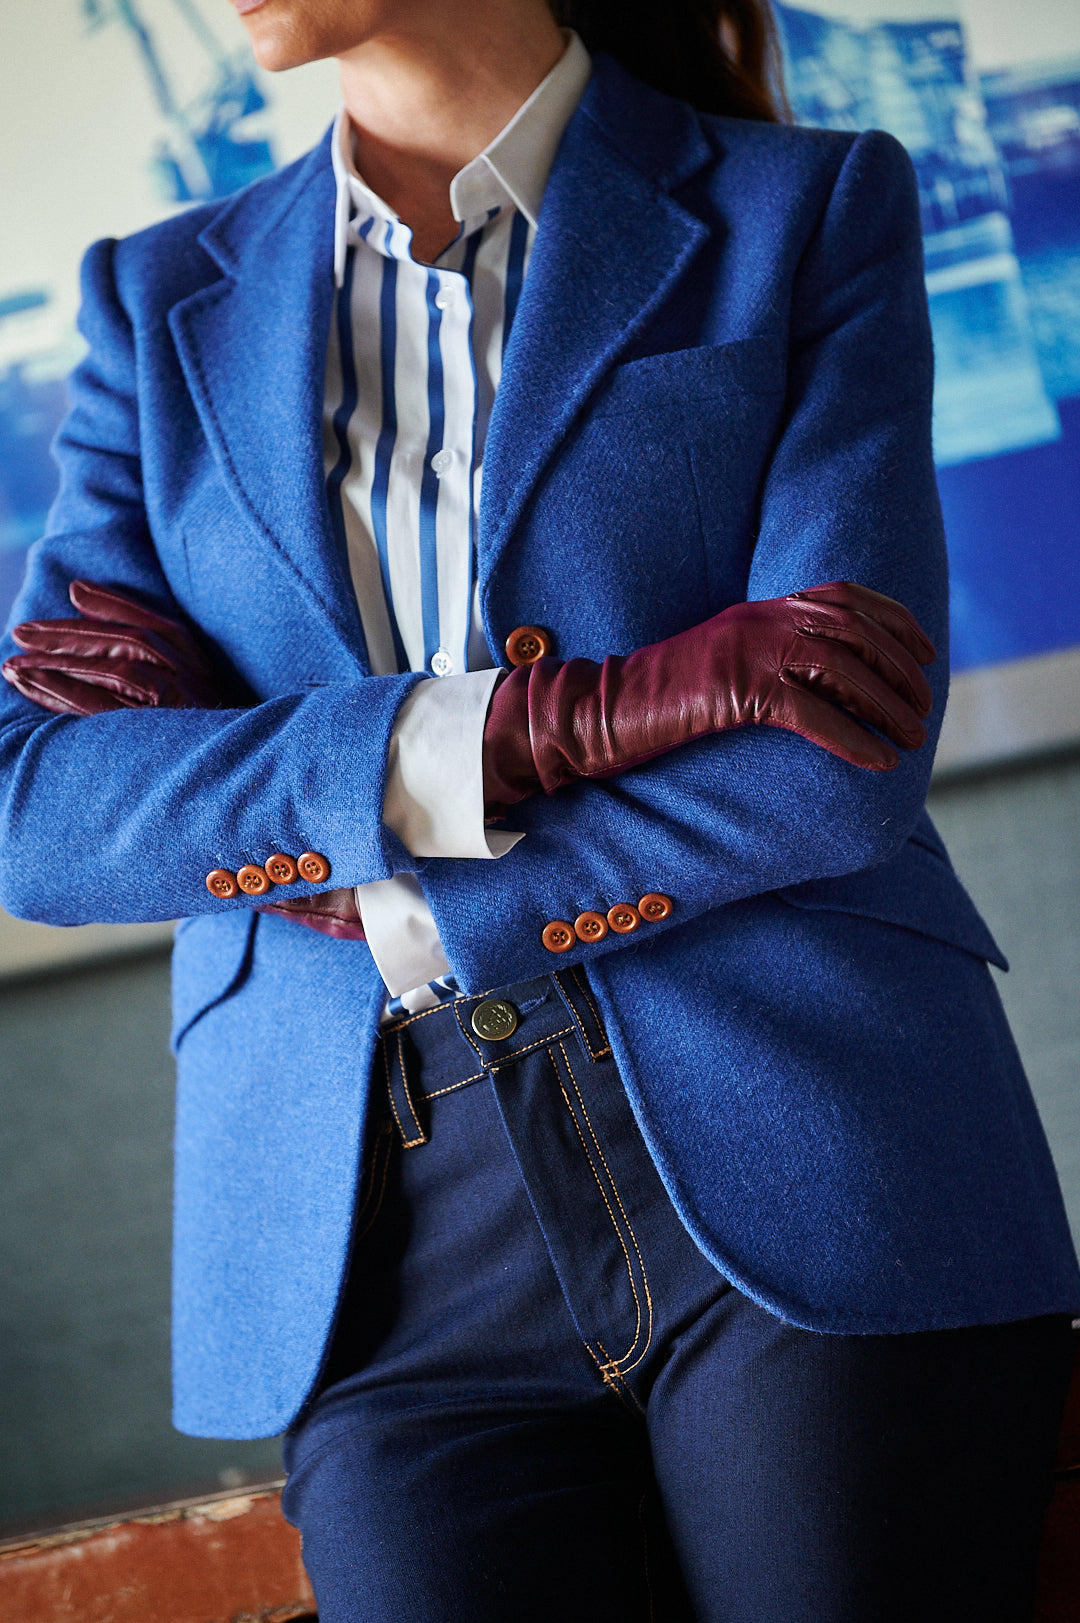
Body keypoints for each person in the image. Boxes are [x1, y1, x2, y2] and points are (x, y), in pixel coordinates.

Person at [1, 1, 1078, 1617]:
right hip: (369, 1238)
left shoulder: (804, 206)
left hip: (809, 1130)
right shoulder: (156, 303)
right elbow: (42, 809)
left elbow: (834, 753)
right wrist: (554, 723)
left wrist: (344, 843)